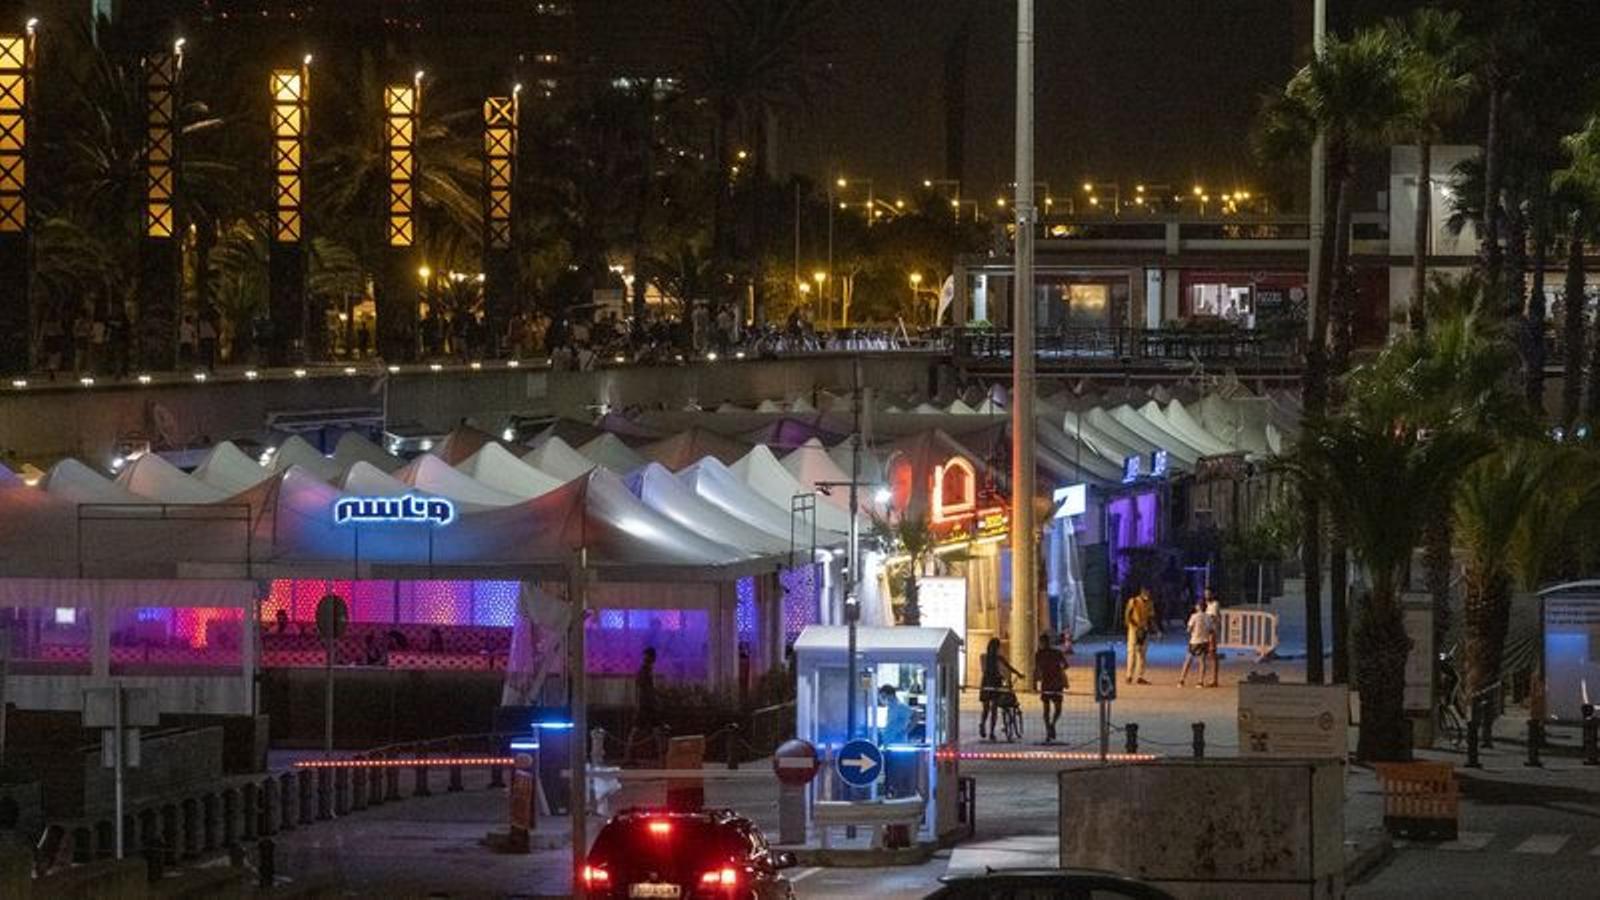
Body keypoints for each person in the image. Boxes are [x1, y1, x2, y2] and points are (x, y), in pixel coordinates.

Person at [978, 637, 1022, 741]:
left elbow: (1006, 667)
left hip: (987, 683)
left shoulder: (985, 657)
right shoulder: (995, 657)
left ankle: (985, 726)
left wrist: (1016, 673)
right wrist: (1017, 674)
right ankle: (990, 731)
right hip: (993, 683)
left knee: (987, 708)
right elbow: (1008, 667)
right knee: (992, 708)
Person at [1033, 633, 1069, 743]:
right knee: (1054, 709)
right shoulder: (1053, 653)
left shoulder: (1042, 654)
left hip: (1050, 683)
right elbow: (1066, 665)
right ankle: (1050, 727)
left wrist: (1035, 683)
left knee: (1049, 709)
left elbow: (1037, 669)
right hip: (1054, 683)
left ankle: (1050, 727)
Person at [626, 647, 659, 763]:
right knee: (650, 730)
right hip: (646, 706)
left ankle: (630, 756)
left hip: (646, 705)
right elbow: (645, 690)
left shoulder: (645, 671)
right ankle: (629, 756)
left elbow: (643, 690)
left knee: (641, 730)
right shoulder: (645, 671)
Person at [1178, 600, 1213, 687]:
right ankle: (1200, 681)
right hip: (1204, 641)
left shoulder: (1194, 616)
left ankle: (1182, 680)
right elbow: (1210, 630)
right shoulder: (1208, 617)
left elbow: (1189, 629)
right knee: (1202, 662)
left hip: (1194, 641)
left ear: (1198, 607)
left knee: (1188, 660)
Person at [1124, 588, 1153, 685]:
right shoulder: (1134, 601)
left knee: (1142, 654)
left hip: (1144, 630)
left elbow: (1151, 617)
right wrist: (1134, 626)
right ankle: (1129, 676)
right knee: (1132, 653)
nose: (1147, 595)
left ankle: (1140, 676)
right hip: (1134, 629)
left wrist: (1154, 630)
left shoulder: (1149, 603)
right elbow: (1127, 615)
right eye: (1146, 593)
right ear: (1142, 593)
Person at [1204, 589, 1222, 688]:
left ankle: (1214, 679)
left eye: (1208, 594)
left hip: (1212, 632)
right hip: (1208, 632)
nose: (1206, 595)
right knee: (1209, 655)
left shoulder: (1215, 604)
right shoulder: (1208, 605)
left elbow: (1213, 617)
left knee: (1212, 654)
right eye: (1205, 594)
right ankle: (1211, 678)